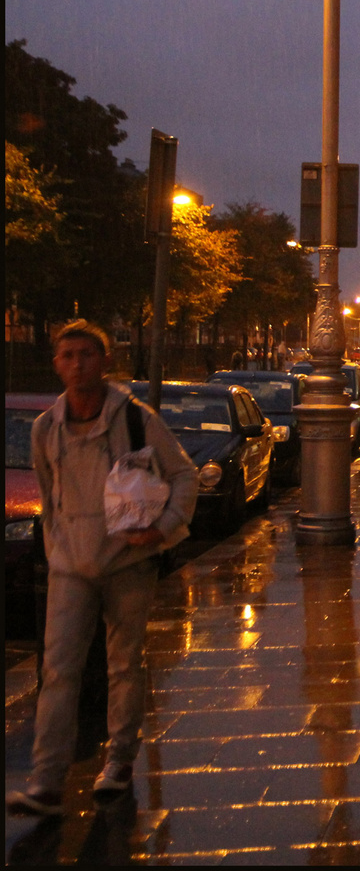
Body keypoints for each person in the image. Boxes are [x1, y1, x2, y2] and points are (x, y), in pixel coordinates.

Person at [6, 321, 197, 817]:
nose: (76, 363)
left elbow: (183, 475)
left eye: (86, 354)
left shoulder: (136, 419)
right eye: (67, 355)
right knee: (58, 671)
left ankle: (118, 761)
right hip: (71, 566)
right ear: (57, 364)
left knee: (123, 665)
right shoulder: (45, 428)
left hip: (128, 563)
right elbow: (50, 496)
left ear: (105, 361)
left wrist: (165, 528)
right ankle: (46, 782)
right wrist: (56, 548)